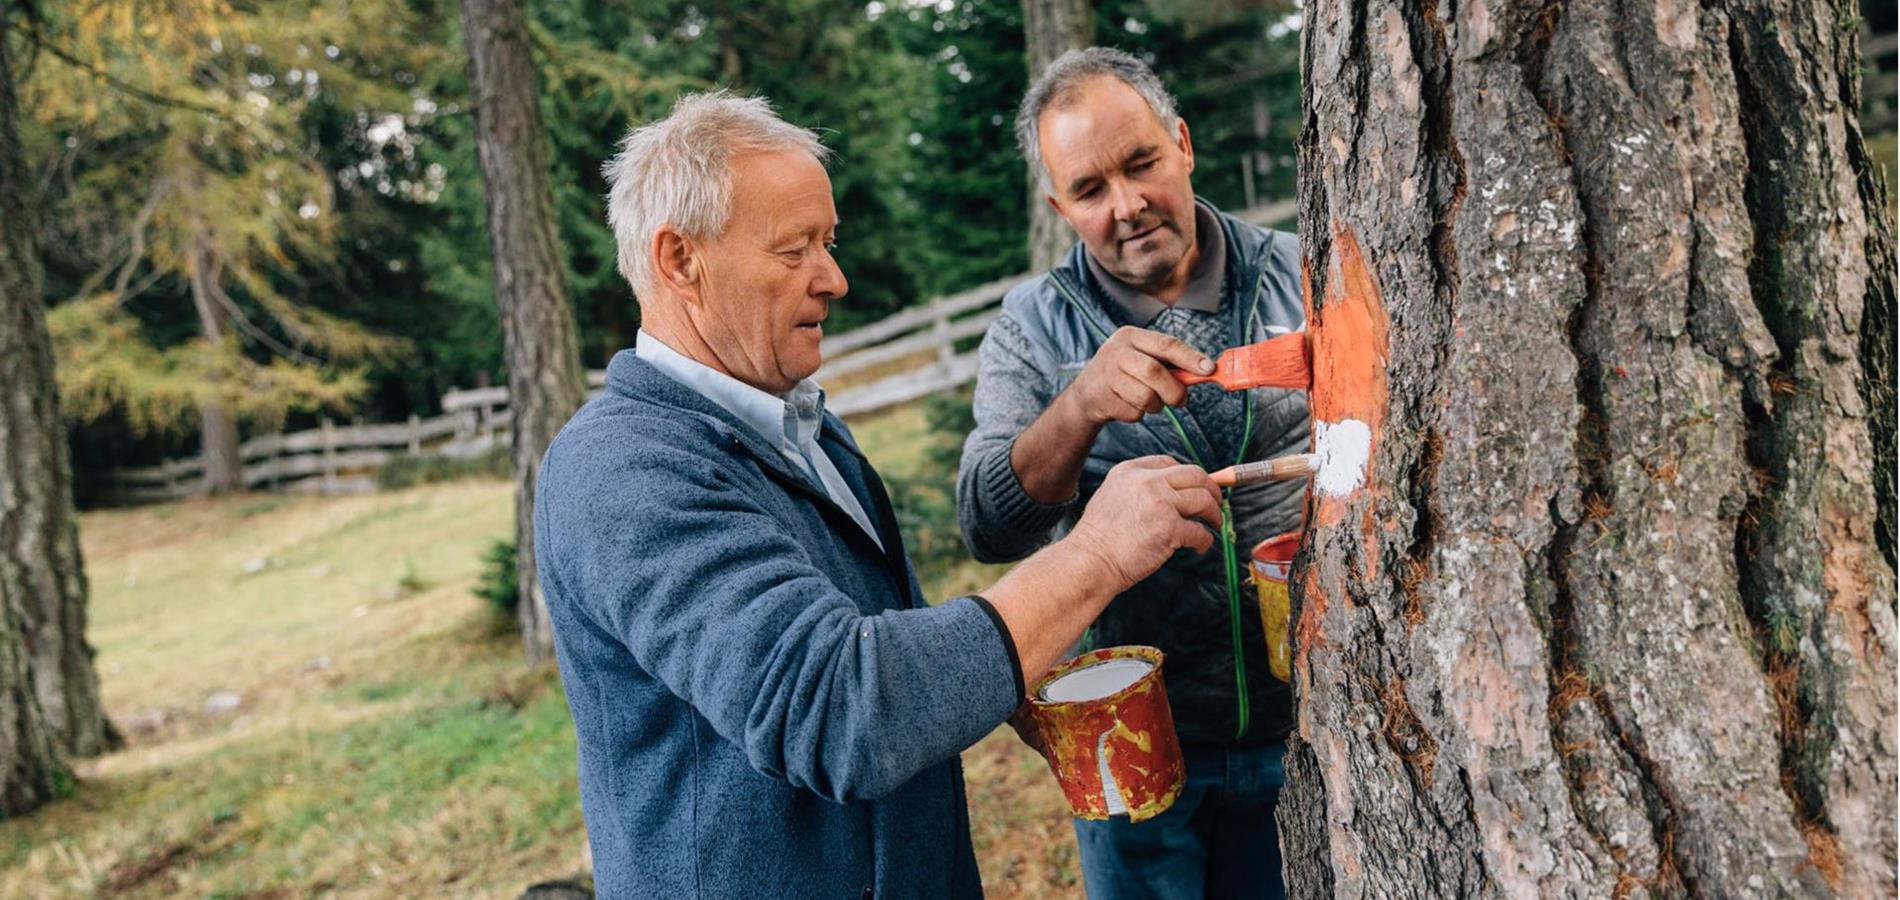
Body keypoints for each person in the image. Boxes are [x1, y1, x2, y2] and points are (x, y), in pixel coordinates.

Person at [533, 90, 1226, 899]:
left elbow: (868, 629)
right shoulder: (620, 469)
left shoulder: (804, 425)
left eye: (829, 242)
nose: (836, 278)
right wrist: (1097, 555)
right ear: (680, 259)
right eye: (796, 250)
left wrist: (1012, 673)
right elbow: (837, 707)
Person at [957, 48, 1307, 899]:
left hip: (1313, 733)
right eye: (1089, 190)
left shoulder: (1303, 270)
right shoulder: (1034, 329)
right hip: (1133, 746)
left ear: (1181, 143)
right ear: (1059, 207)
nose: (1127, 205)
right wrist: (1078, 406)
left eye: (1141, 163)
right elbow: (987, 524)